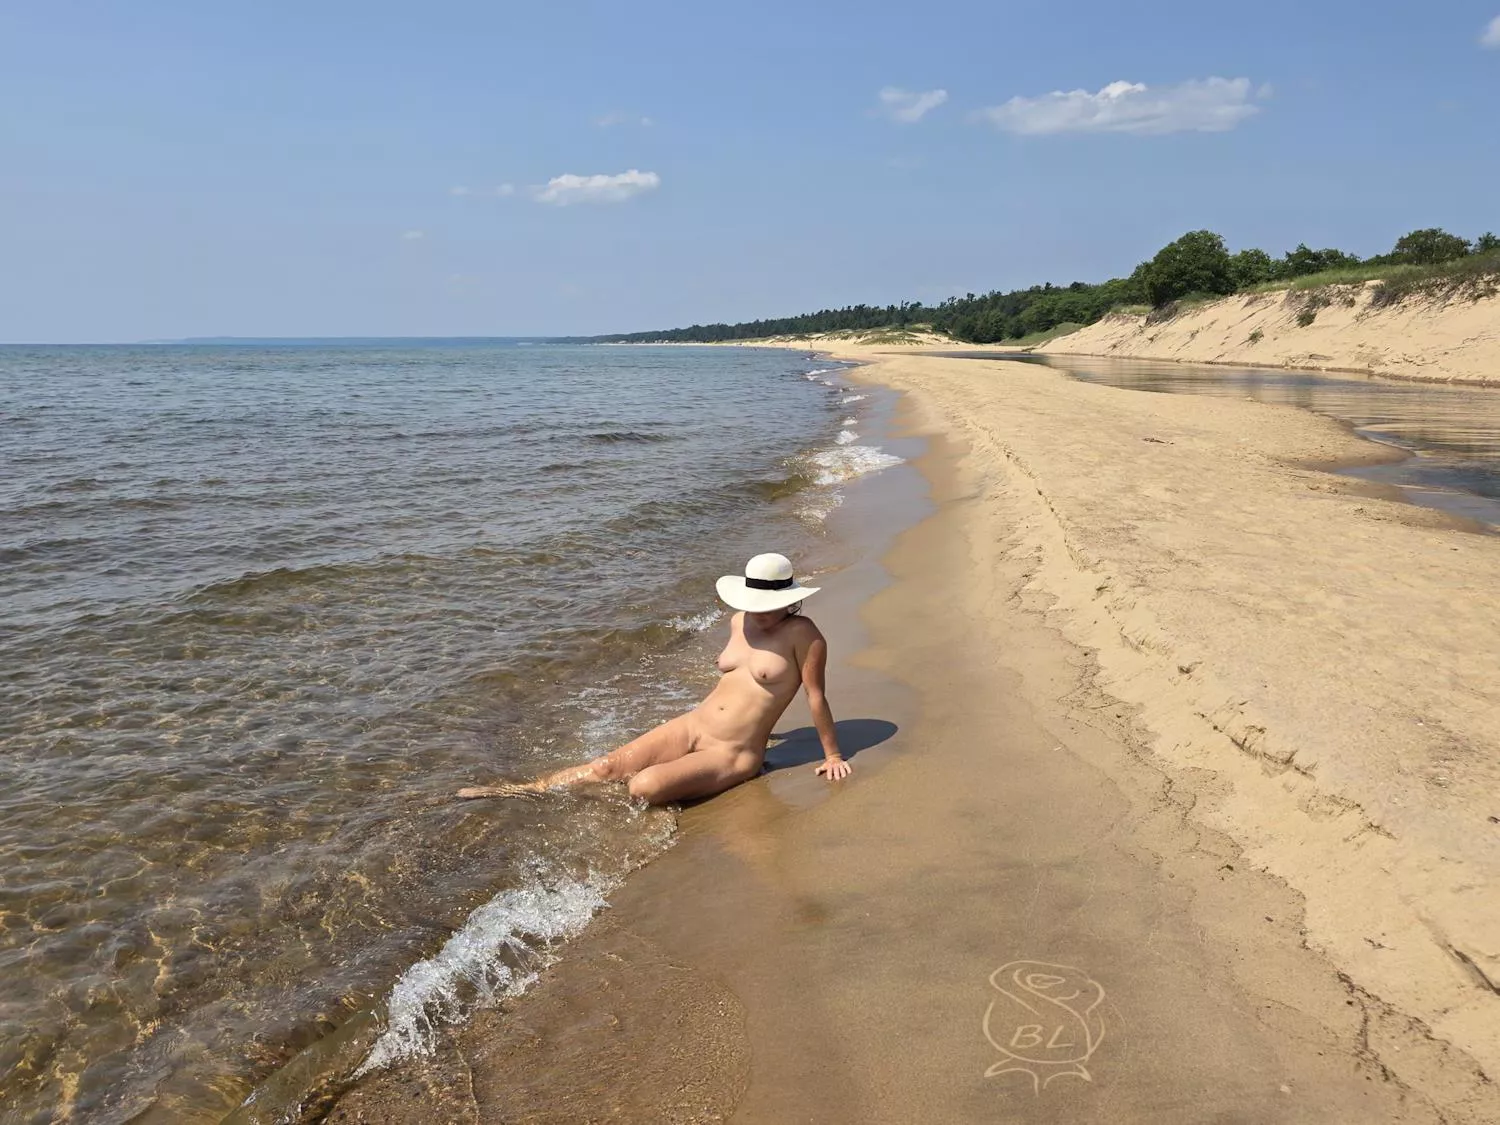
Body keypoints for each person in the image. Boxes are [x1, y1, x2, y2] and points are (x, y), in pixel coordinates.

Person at [457, 553, 849, 806]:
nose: (757, 612)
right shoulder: (739, 620)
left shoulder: (804, 635)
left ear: (788, 599)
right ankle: (524, 790)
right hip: (694, 724)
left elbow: (816, 697)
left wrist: (831, 755)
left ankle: (617, 805)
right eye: (752, 602)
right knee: (607, 767)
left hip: (734, 752)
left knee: (642, 787)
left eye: (766, 606)